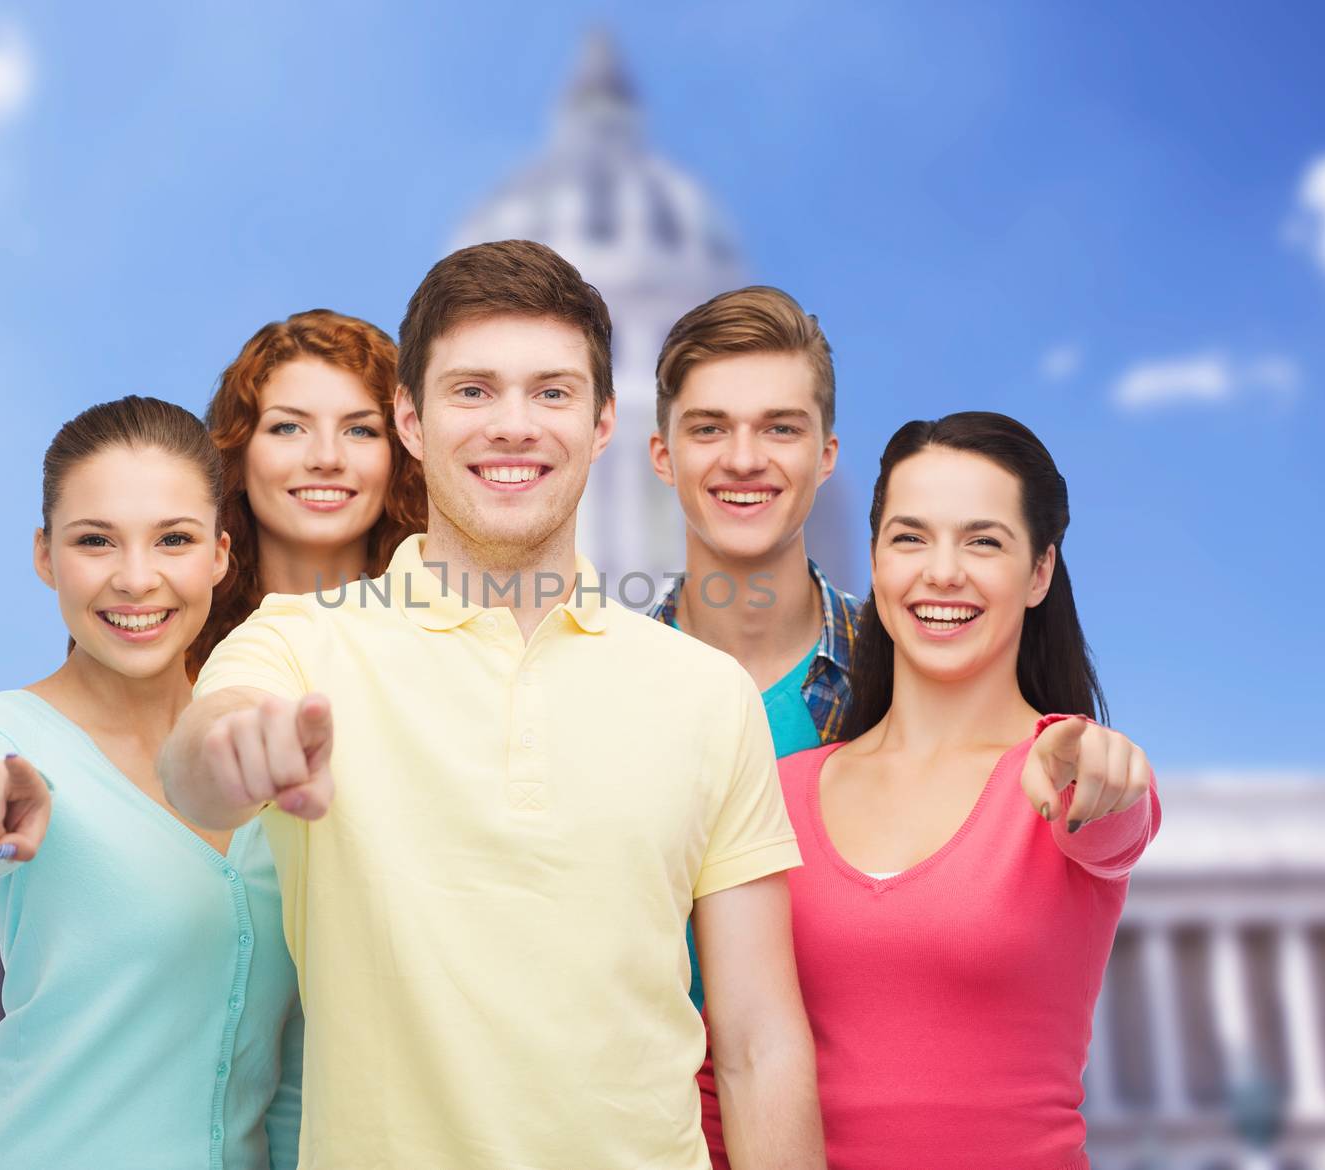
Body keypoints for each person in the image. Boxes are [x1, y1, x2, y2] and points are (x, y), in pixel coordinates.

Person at [160, 240, 826, 1170]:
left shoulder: (707, 693)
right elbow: (198, 761)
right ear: (412, 422)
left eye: (551, 393)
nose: (513, 426)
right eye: (473, 391)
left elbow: (758, 1042)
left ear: (602, 425)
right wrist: (235, 751)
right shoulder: (301, 642)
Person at [702, 410, 1160, 1169]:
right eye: (910, 538)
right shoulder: (772, 789)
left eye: (984, 541)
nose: (941, 572)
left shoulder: (1065, 774)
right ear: (875, 561)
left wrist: (1100, 770)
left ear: (1040, 571)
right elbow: (727, 1071)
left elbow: (1118, 819)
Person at [0, 397, 304, 1170]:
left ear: (221, 555)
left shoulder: (263, 752)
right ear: (44, 555)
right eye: (95, 541)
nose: (137, 580)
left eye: (173, 540)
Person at [645, 286, 860, 1013]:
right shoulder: (593, 686)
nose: (744, 460)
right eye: (708, 429)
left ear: (826, 455)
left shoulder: (907, 675)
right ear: (661, 455)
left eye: (780, 429)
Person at [188, 310, 426, 678]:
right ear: (237, 455)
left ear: (400, 457)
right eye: (288, 427)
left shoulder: (455, 644)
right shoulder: (175, 653)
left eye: (360, 430)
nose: (326, 458)